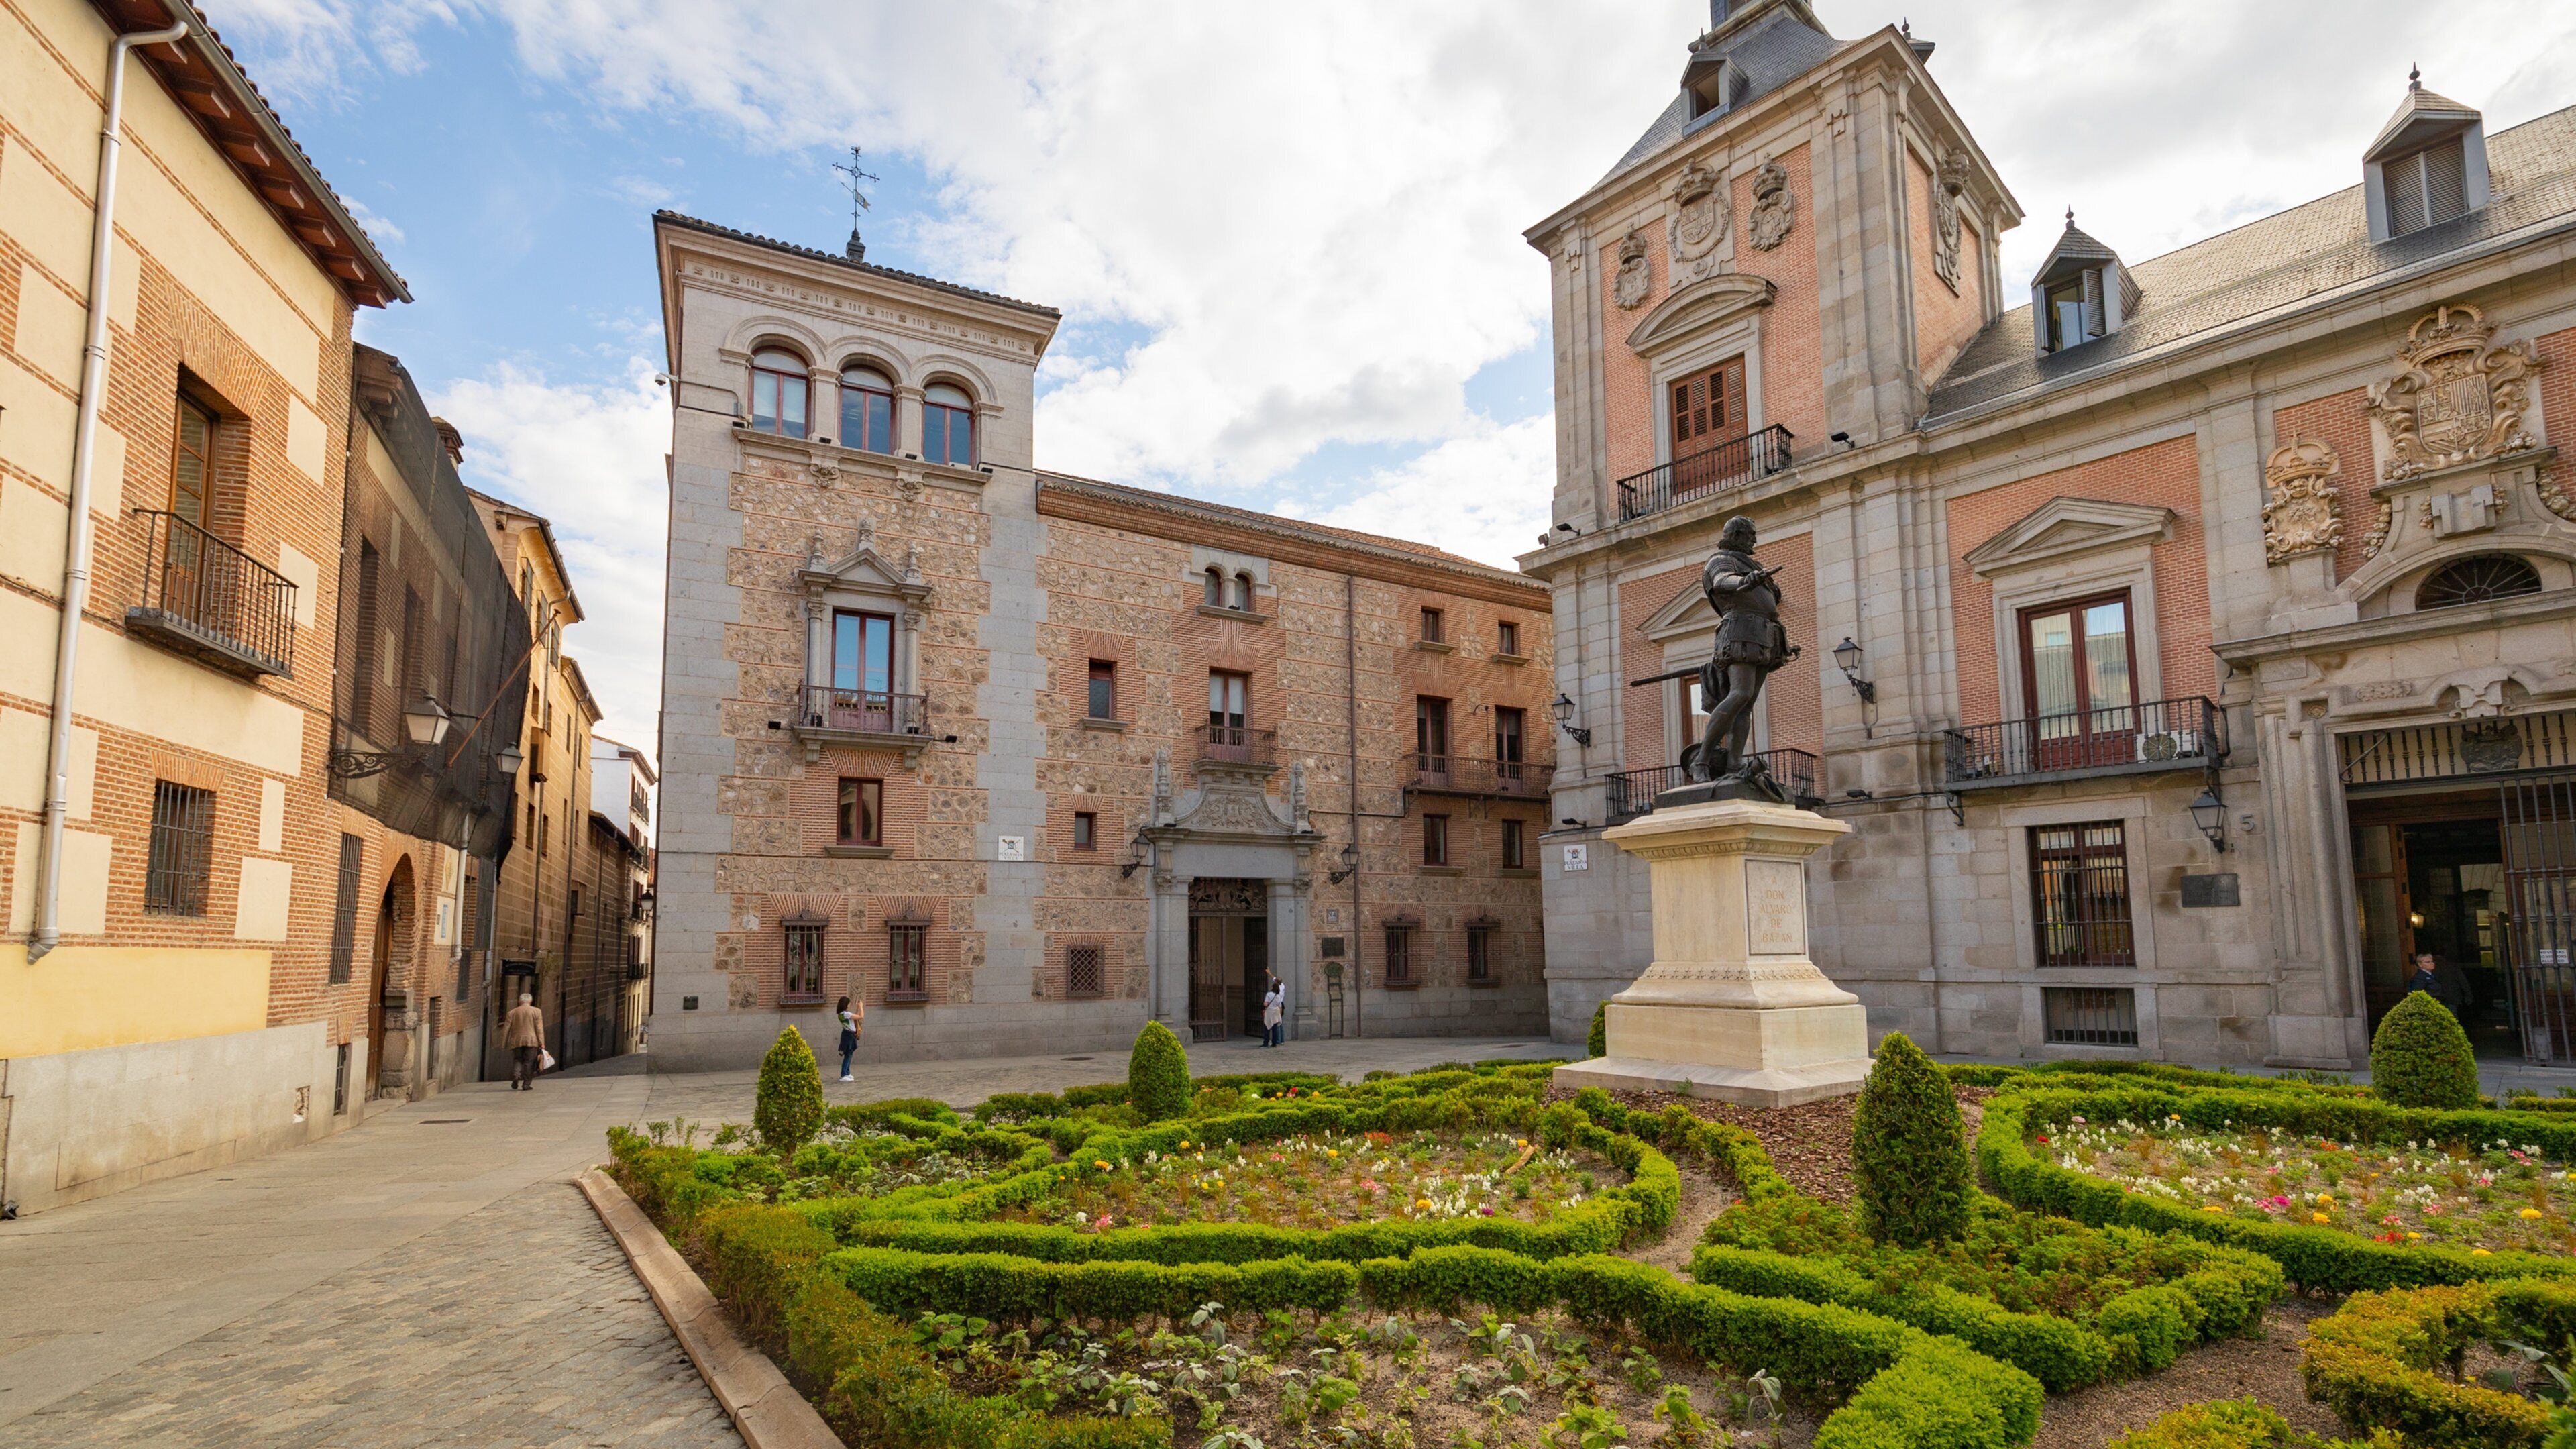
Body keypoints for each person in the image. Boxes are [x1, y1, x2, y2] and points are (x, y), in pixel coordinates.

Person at [2405, 952, 2469, 1018]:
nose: (2432, 963)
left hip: (2441, 1004)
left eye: (2432, 961)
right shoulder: (2420, 978)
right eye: (2428, 962)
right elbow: (2416, 994)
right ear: (2420, 965)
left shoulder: (2431, 975)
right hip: (2431, 1008)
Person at [504, 992, 546, 1091]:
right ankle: (526, 1084)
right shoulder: (537, 1011)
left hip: (516, 1041)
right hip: (532, 1041)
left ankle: (516, 1075)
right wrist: (542, 1043)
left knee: (518, 1059)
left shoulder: (512, 1012)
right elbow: (539, 1028)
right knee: (529, 1061)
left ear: (519, 1001)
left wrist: (504, 1043)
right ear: (531, 1001)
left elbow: (506, 1029)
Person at [836, 994, 863, 1081]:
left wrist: (858, 1008)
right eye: (849, 1003)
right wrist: (861, 1007)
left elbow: (855, 1017)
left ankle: (847, 1073)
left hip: (847, 1034)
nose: (850, 1004)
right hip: (849, 1035)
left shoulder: (841, 1014)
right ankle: (843, 1074)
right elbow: (861, 1017)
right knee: (848, 1055)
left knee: (849, 1054)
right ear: (845, 1004)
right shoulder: (846, 1014)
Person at [1260, 975, 1285, 1048]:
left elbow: (1265, 1004)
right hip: (1276, 1012)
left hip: (1269, 1012)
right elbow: (1280, 1006)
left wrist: (1265, 1004)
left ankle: (1266, 1043)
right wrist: (1280, 1014)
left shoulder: (1269, 994)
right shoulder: (1278, 996)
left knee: (1267, 1027)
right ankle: (1274, 1043)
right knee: (1275, 1028)